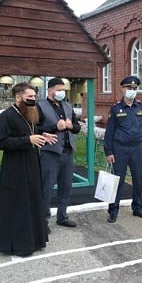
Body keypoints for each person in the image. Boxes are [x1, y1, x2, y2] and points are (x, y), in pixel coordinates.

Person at [0, 82, 57, 257]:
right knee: (19, 204)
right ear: (18, 97)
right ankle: (19, 245)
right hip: (15, 168)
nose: (33, 100)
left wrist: (42, 135)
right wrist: (27, 140)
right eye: (29, 97)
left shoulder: (27, 114)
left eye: (34, 97)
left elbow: (31, 130)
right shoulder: (6, 116)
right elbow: (2, 143)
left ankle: (34, 241)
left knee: (32, 201)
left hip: (31, 164)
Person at [103, 75, 142, 223]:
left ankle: (137, 208)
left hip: (137, 148)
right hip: (120, 149)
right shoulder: (116, 108)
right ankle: (113, 210)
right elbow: (109, 131)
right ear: (123, 89)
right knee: (118, 180)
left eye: (134, 88)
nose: (131, 91)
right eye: (129, 88)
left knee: (138, 179)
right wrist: (109, 151)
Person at [37, 77, 81, 233]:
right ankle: (43, 220)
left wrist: (71, 125)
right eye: (59, 90)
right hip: (50, 153)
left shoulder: (68, 106)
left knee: (66, 186)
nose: (62, 93)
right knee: (46, 188)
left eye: (63, 90)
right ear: (50, 91)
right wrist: (54, 126)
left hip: (67, 152)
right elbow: (36, 128)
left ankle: (62, 216)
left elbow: (77, 127)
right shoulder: (40, 107)